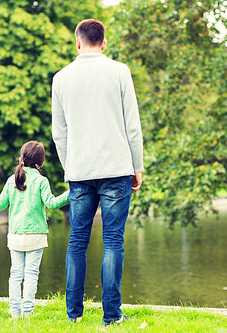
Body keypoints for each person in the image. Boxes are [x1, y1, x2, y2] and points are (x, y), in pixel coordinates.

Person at [51, 19, 144, 325]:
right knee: (113, 241)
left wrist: (70, 166)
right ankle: (111, 316)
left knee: (77, 241)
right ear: (104, 43)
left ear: (78, 43)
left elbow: (59, 133)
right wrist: (137, 167)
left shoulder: (61, 78)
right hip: (116, 167)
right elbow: (132, 125)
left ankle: (74, 315)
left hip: (79, 171)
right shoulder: (120, 72)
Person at [0, 141, 69, 318]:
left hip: (15, 235)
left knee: (15, 274)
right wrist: (71, 193)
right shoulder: (41, 180)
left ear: (21, 158)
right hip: (36, 235)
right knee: (31, 275)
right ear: (41, 162)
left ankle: (15, 312)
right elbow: (52, 203)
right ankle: (27, 312)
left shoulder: (11, 180)